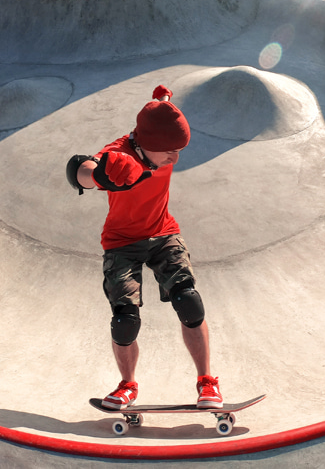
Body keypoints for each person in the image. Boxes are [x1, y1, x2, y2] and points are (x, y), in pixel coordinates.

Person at [66, 85, 223, 410]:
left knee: (189, 302)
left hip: (164, 233)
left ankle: (207, 381)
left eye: (179, 150)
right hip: (121, 243)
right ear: (146, 144)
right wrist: (101, 177)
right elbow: (79, 170)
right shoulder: (120, 152)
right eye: (168, 152)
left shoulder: (158, 138)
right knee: (125, 322)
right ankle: (127, 385)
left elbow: (160, 111)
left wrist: (162, 99)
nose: (174, 159)